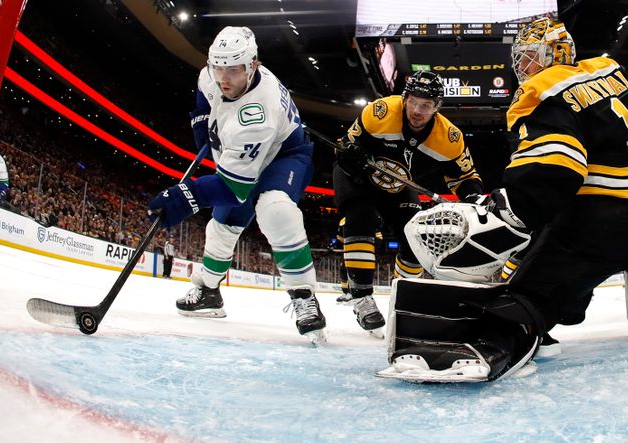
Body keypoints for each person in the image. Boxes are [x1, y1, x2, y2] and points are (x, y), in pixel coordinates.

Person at [382, 17, 628, 382]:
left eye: (528, 57)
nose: (522, 67)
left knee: (535, 293)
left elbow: (556, 169)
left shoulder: (540, 91)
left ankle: (490, 341)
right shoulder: (614, 68)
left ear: (553, 53)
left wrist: (511, 209)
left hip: (599, 218)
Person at [148, 26, 327, 345]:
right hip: (244, 156)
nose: (224, 78)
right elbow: (204, 92)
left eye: (233, 70)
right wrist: (202, 120)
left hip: (283, 156)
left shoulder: (257, 114)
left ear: (253, 65)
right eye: (218, 68)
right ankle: (208, 291)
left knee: (275, 209)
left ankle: (303, 296)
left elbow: (234, 188)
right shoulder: (212, 74)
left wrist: (184, 198)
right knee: (223, 225)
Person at [334, 70, 483, 335]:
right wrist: (351, 156)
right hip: (358, 178)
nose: (416, 110)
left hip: (399, 185)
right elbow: (344, 147)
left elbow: (465, 178)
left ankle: (402, 298)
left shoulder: (450, 139)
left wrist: (474, 199)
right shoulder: (379, 112)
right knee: (361, 217)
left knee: (416, 236)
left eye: (425, 105)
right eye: (413, 101)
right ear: (404, 98)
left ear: (437, 107)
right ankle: (360, 297)